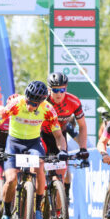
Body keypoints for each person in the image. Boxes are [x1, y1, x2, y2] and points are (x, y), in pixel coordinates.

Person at [0, 81, 67, 219]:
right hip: (14, 143)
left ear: (41, 102)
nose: (29, 106)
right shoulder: (15, 104)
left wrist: (63, 151)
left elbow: (59, 136)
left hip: (34, 143)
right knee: (11, 179)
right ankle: (7, 214)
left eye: (34, 104)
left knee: (39, 168)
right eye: (28, 101)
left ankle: (38, 209)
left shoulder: (48, 109)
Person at [42, 72, 90, 201]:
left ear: (66, 89)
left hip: (60, 137)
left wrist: (83, 149)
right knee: (38, 170)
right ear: (49, 89)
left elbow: (82, 126)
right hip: (42, 135)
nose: (59, 94)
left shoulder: (73, 102)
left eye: (62, 90)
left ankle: (59, 209)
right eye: (55, 90)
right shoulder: (42, 101)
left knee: (60, 175)